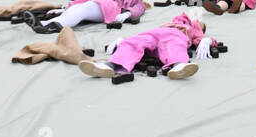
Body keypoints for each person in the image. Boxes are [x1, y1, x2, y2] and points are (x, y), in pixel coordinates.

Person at [78, 12, 218, 83]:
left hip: (174, 36)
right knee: (135, 42)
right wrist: (126, 40)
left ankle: (179, 66)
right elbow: (143, 37)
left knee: (175, 46)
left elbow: (203, 39)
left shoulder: (192, 28)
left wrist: (207, 40)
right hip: (155, 34)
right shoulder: (172, 22)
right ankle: (108, 66)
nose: (197, 20)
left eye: (200, 23)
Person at [22, 0, 148, 34]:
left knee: (83, 10)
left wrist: (127, 14)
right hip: (95, 2)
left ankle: (53, 26)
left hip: (108, 7)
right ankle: (44, 24)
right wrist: (63, 8)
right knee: (76, 9)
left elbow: (139, 9)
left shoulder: (134, 1)